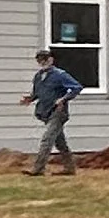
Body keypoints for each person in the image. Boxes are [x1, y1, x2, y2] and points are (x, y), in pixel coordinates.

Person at [21, 48, 82, 178]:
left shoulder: (60, 74)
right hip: (45, 112)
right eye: (39, 60)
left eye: (45, 59)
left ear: (51, 60)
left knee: (47, 139)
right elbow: (38, 93)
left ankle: (38, 169)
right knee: (60, 142)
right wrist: (30, 99)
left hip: (58, 113)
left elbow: (77, 87)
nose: (42, 62)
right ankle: (70, 168)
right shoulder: (38, 77)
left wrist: (64, 99)